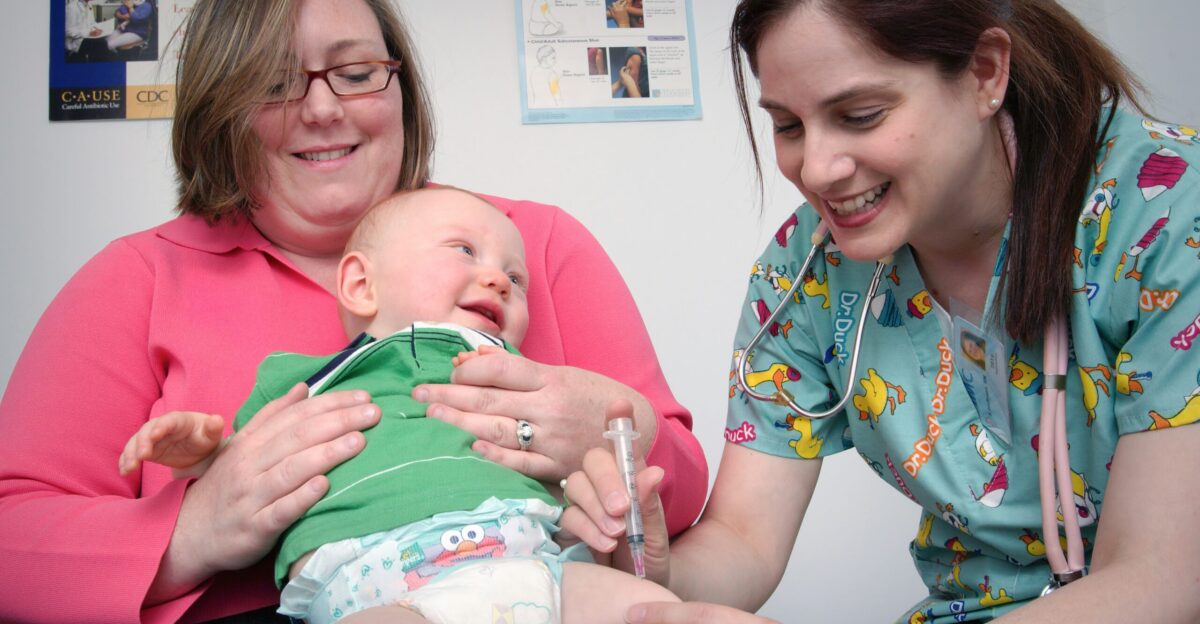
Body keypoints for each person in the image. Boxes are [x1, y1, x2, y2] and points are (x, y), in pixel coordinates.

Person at [0, 1, 706, 622]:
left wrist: (619, 430)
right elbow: (12, 543)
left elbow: (678, 495)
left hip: (541, 589)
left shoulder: (531, 248)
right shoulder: (137, 278)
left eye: (357, 71)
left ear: (399, 86)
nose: (322, 109)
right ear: (222, 106)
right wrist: (191, 531)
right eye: (274, 83)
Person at [563, 0, 1200, 622]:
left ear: (985, 73)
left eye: (861, 115)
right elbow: (744, 539)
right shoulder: (805, 271)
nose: (816, 168)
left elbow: (1161, 575)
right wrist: (652, 563)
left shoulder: (1168, 211)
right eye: (788, 125)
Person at [118, 187, 679, 623]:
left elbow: (590, 465)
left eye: (516, 277)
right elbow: (248, 481)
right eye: (465, 250)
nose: (500, 281)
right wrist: (200, 454)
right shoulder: (303, 381)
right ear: (362, 283)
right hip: (374, 578)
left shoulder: (524, 379)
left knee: (656, 608)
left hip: (532, 560)